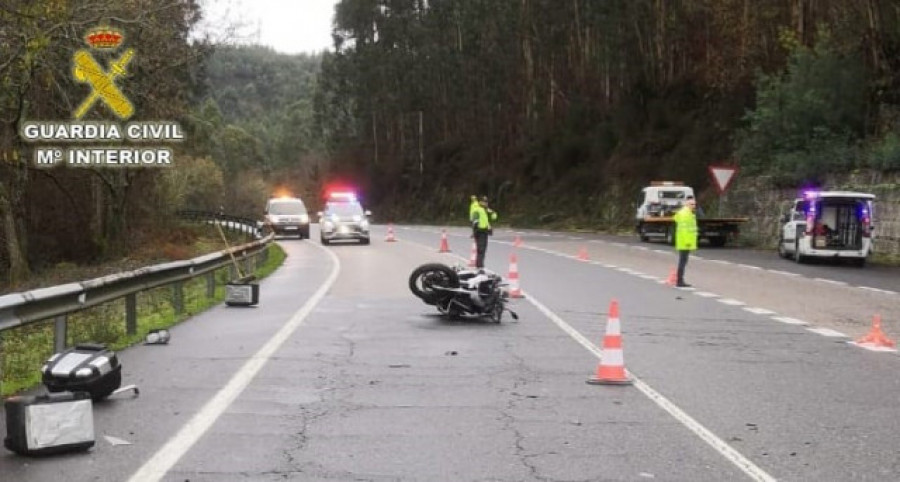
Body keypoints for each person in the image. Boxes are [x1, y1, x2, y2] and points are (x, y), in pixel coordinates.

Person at [672, 196, 698, 287]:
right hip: (684, 242)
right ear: (686, 204)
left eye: (694, 204)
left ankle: (680, 280)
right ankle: (679, 281)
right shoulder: (685, 214)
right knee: (683, 261)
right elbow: (684, 229)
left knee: (683, 261)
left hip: (684, 241)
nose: (693, 206)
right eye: (691, 204)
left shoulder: (688, 213)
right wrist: (688, 242)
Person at [470, 195, 498, 269]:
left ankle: (480, 264)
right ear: (480, 202)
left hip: (484, 231)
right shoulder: (477, 210)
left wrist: (492, 212)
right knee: (481, 249)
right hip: (479, 231)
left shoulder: (486, 210)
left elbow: (494, 217)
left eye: (486, 202)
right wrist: (475, 231)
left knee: (483, 248)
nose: (486, 203)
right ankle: (479, 265)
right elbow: (475, 221)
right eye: (484, 202)